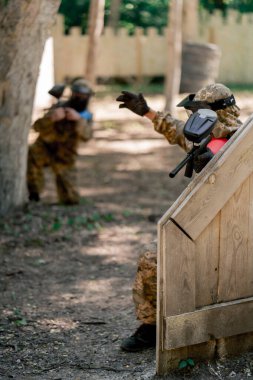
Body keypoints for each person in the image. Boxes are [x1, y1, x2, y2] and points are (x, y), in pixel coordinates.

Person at [116, 83, 242, 352]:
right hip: (205, 230)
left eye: (199, 113)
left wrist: (215, 172)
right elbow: (175, 129)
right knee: (152, 260)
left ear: (215, 114)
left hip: (236, 238)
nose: (192, 119)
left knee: (155, 263)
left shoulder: (243, 145)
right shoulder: (205, 137)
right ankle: (152, 327)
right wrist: (147, 111)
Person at [27, 78, 94, 205]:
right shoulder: (59, 108)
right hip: (44, 149)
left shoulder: (86, 116)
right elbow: (36, 127)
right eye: (77, 94)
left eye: (84, 95)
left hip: (65, 157)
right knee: (30, 155)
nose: (80, 97)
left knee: (71, 200)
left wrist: (78, 119)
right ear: (72, 94)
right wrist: (52, 118)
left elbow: (87, 136)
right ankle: (34, 194)